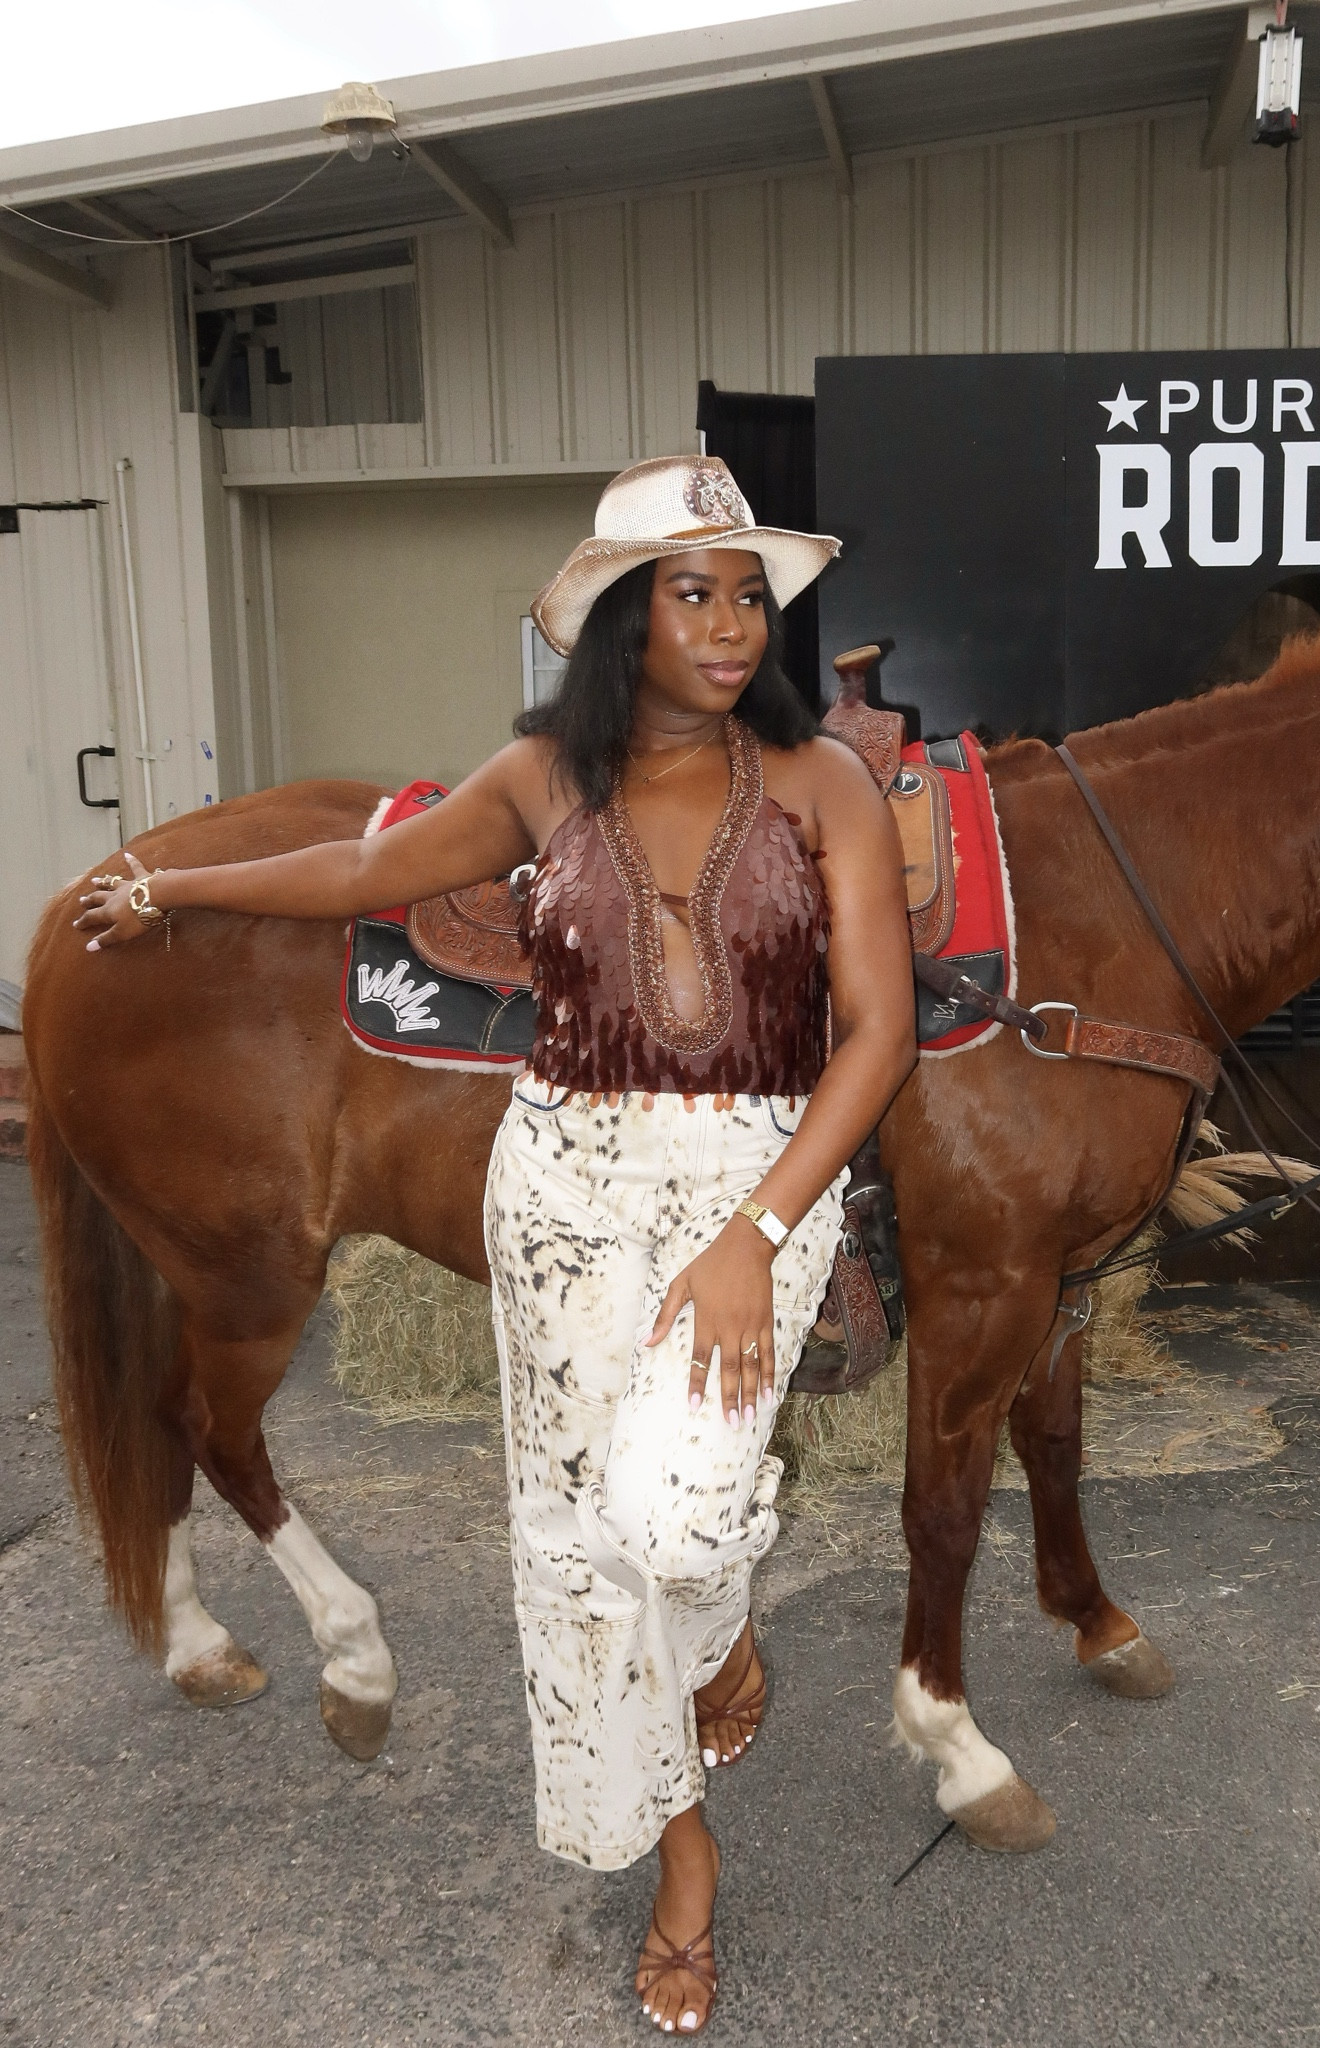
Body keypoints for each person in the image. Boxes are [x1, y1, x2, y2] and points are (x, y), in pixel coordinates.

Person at [73, 454, 916, 2035]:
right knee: (580, 1552)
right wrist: (168, 883)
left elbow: (877, 1036)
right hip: (560, 1184)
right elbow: (362, 872)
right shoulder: (541, 778)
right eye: (694, 594)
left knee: (681, 1525)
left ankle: (720, 1641)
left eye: (749, 597)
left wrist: (758, 1232)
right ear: (623, 617)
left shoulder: (824, 788)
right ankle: (681, 1858)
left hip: (751, 1178)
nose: (730, 627)